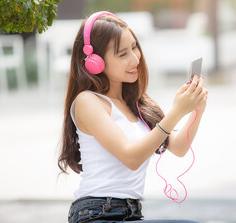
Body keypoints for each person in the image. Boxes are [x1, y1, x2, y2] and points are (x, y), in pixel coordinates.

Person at [58, 11, 208, 223]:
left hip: (130, 213)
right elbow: (131, 158)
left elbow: (179, 147)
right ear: (95, 62)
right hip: (97, 213)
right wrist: (176, 112)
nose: (135, 58)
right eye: (122, 54)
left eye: (134, 47)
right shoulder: (87, 102)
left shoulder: (136, 104)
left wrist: (196, 110)